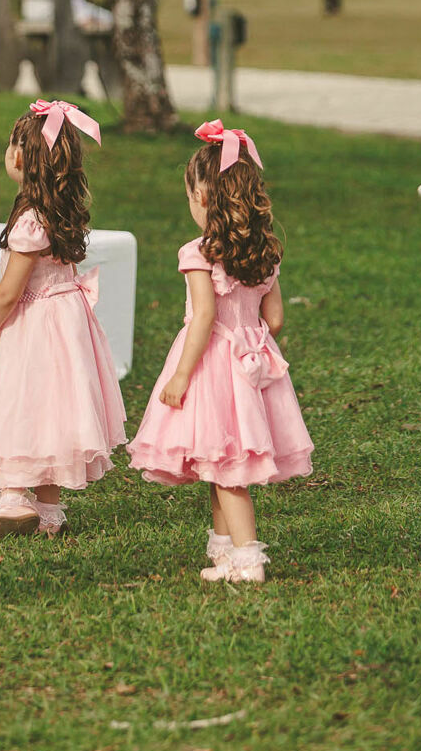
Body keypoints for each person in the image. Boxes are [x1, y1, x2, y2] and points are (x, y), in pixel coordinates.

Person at [128, 120, 313, 585]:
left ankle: (249, 559)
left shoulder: (200, 252)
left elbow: (205, 318)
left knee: (228, 470)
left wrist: (180, 376)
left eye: (191, 195)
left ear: (205, 198)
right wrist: (251, 334)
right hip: (250, 365)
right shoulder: (265, 252)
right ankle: (225, 554)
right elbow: (275, 319)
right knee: (218, 462)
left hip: (213, 365)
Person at [0, 99, 126, 538]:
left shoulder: (29, 223)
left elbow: (9, 292)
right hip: (67, 322)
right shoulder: (62, 211)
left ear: (20, 157)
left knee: (20, 403)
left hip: (32, 323)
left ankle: (16, 497)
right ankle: (49, 511)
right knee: (53, 408)